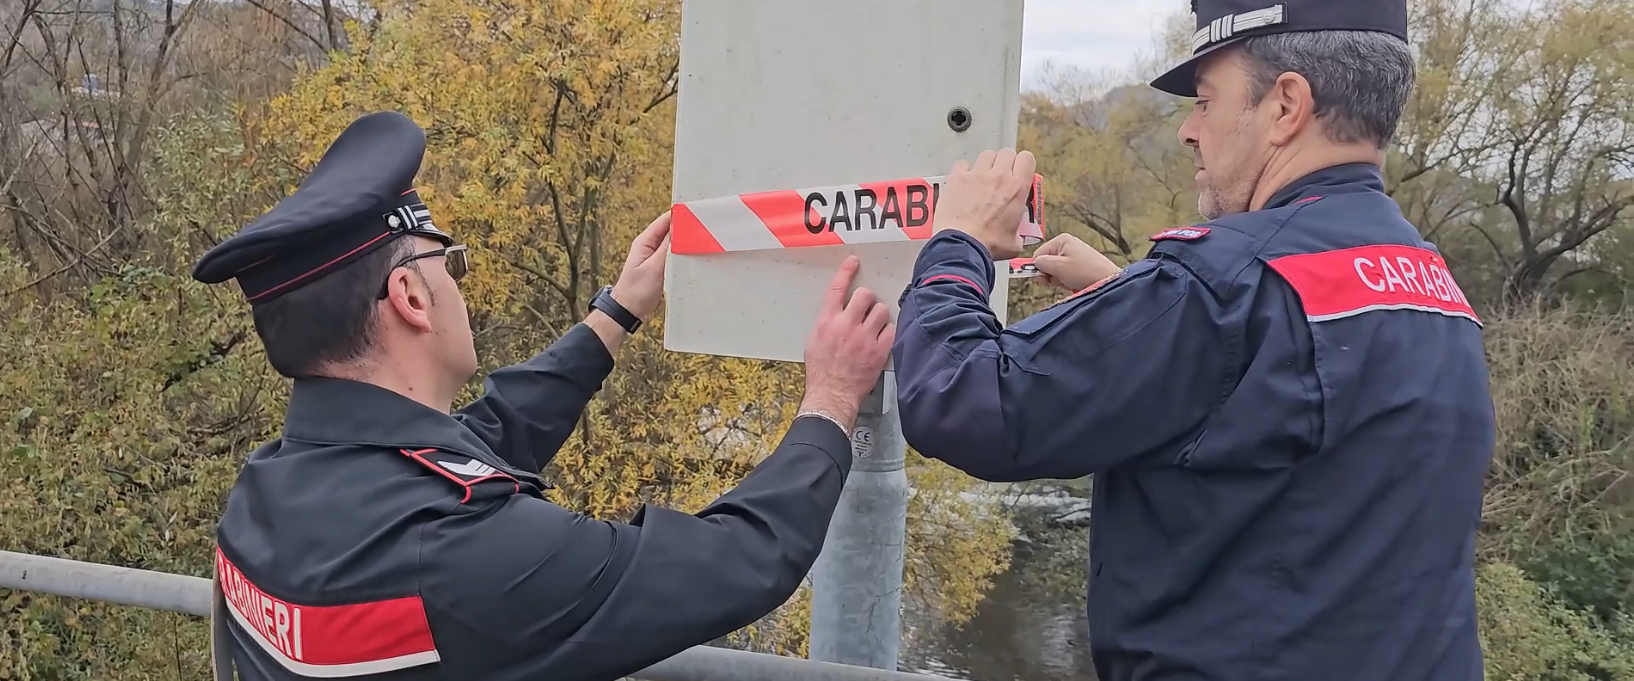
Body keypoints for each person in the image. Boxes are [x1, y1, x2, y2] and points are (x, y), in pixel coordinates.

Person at [890, 0, 1495, 679]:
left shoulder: (1221, 285)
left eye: (1206, 101)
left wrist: (959, 244)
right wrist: (1131, 304)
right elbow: (1284, 428)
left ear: (1286, 105)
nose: (1188, 130)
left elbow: (960, 395)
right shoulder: (1432, 284)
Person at [191, 110, 895, 681]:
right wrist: (832, 395)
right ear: (409, 296)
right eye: (450, 264)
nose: (458, 285)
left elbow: (483, 439)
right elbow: (741, 559)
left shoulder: (271, 489)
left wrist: (614, 316)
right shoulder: (460, 553)